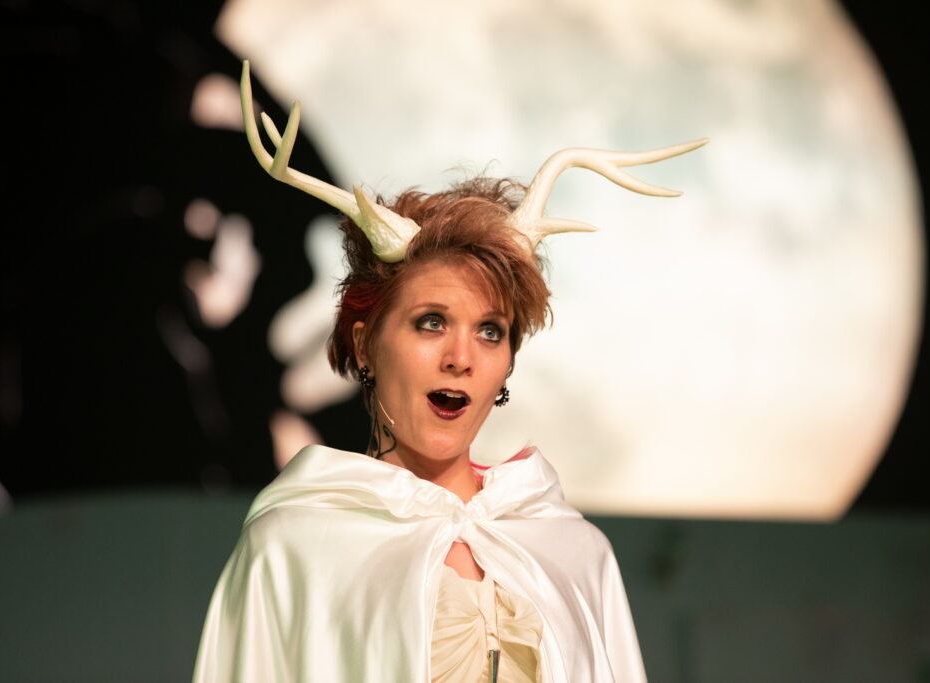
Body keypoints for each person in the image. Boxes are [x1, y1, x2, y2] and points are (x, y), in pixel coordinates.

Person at [192, 61, 705, 682]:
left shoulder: (571, 551)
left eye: (490, 331)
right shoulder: (294, 545)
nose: (461, 356)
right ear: (364, 344)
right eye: (431, 322)